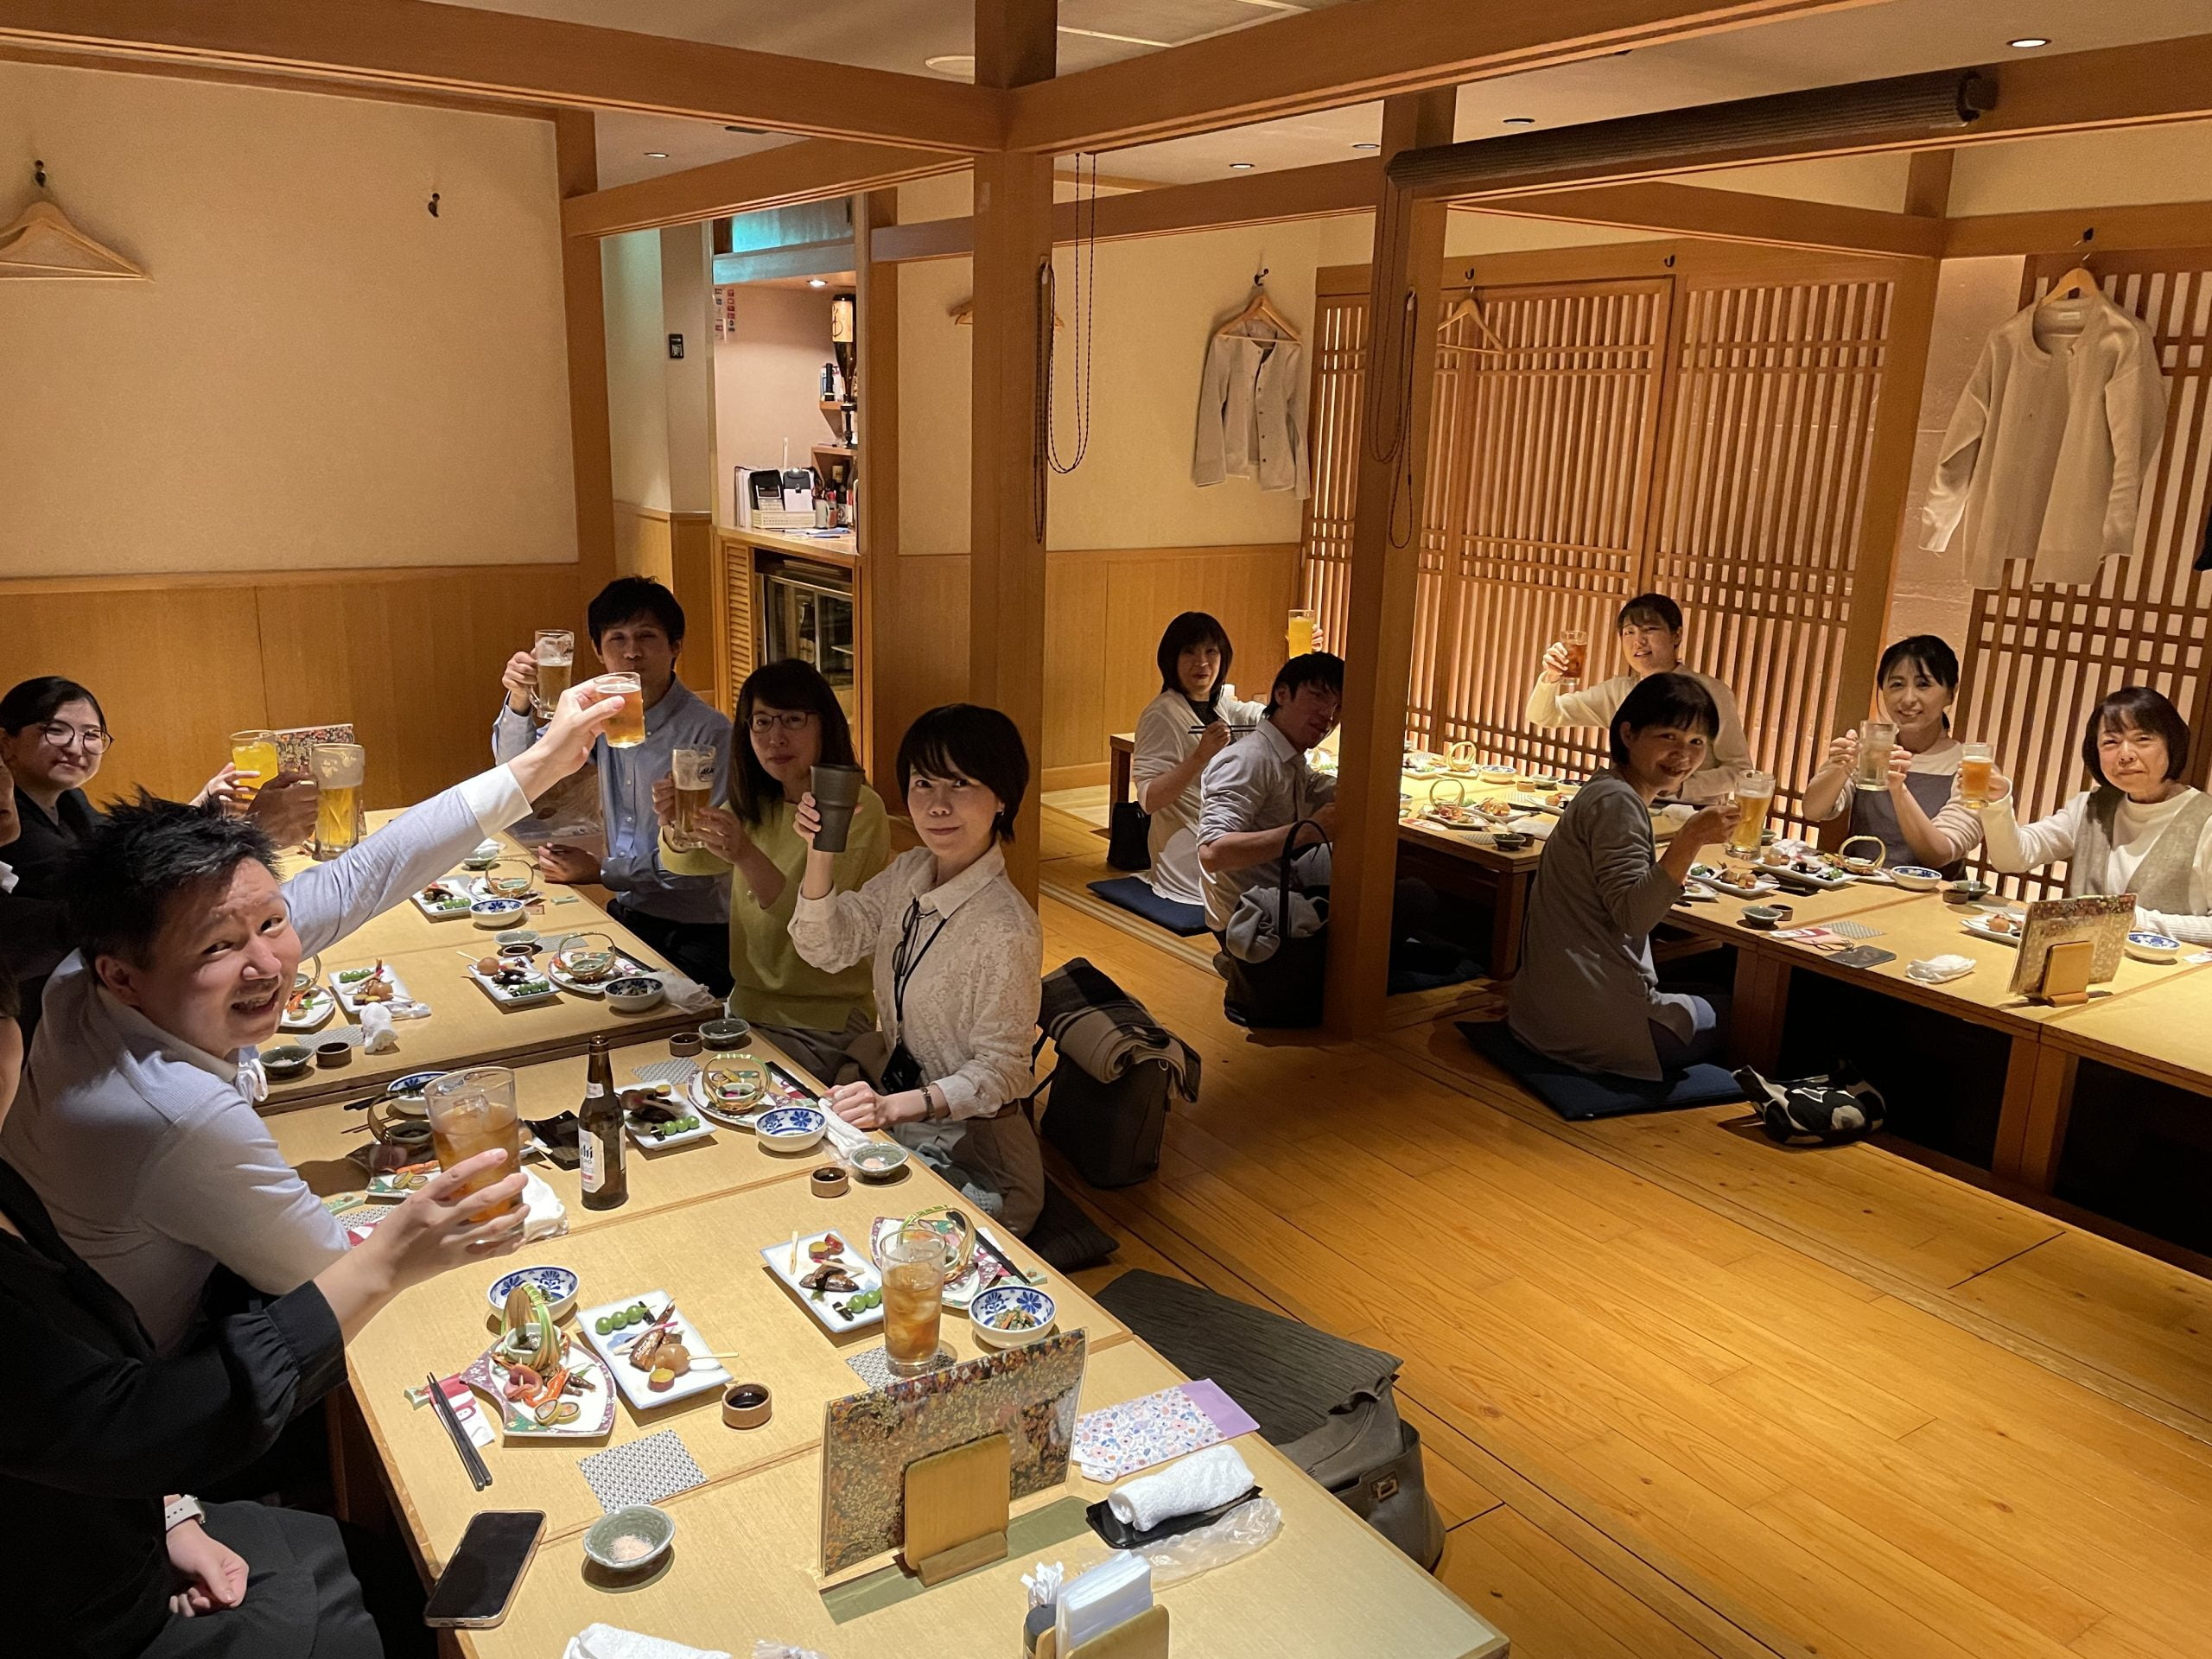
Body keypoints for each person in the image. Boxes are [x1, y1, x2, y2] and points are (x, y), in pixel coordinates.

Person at [4, 680, 622, 1352]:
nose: (267, 965)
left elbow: (365, 873)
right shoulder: (179, 1115)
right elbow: (331, 1275)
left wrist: (545, 761)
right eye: (218, 947)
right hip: (165, 1366)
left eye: (273, 922)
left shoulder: (84, 971)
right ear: (122, 975)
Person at [0, 957, 531, 1657]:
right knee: (408, 1606)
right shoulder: (174, 1108)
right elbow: (126, 1422)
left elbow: (72, 1416)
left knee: (385, 1567)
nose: (264, 961)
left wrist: (170, 1513)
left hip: (118, 1520)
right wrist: (381, 1264)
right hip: (82, 1620)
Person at [788, 705, 1046, 1234]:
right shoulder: (910, 872)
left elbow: (1002, 1072)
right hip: (903, 1122)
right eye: (923, 783)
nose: (938, 804)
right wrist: (819, 851)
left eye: (961, 783)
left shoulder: (1006, 928)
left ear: (1002, 797)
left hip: (978, 1157)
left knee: (861, 1234)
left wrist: (891, 1110)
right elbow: (827, 947)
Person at [493, 578, 734, 995]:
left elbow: (702, 866)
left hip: (699, 932)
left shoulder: (708, 733)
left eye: (647, 637)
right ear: (597, 651)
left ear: (676, 646)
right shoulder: (604, 713)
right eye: (617, 639)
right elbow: (519, 770)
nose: (631, 652)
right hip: (628, 913)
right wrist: (518, 699)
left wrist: (601, 870)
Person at [654, 660, 889, 1081]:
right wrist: (674, 823)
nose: (775, 737)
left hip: (823, 1019)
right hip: (746, 1007)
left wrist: (746, 854)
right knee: (664, 1079)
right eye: (761, 722)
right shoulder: (758, 802)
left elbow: (816, 929)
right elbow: (687, 863)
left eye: (792, 720)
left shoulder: (855, 807)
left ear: (825, 725)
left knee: (718, 1092)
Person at [1509, 673, 1737, 1080]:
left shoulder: (1606, 788)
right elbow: (1634, 916)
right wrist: (1690, 839)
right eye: (1668, 737)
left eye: (1696, 742)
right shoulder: (1618, 804)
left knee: (1708, 987)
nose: (1683, 755)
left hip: (1541, 1011)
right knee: (1746, 1013)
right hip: (1591, 1025)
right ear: (1628, 734)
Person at [0, 677, 312, 903]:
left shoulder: (68, 800)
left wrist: (201, 806)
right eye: (55, 731)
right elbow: (119, 889)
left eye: (91, 734)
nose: (75, 747)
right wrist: (254, 832)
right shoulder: (10, 819)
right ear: (6, 742)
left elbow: (126, 850)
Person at [1978, 687, 2212, 943]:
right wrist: (1997, 803)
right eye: (2111, 742)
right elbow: (2012, 859)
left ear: (2172, 744)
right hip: (2075, 958)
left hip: (2167, 967)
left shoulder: (2205, 820)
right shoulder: (2091, 808)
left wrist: (2136, 920)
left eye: (2142, 739)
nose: (2125, 755)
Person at [1525, 594, 1753, 801]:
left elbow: (1740, 770)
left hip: (1692, 813)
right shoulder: (1617, 691)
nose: (1639, 641)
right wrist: (1551, 677)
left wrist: (1681, 786)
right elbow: (1544, 716)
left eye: (1650, 629)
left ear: (1676, 635)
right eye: (1629, 632)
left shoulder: (1710, 693)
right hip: (1628, 807)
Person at [1801, 635, 1983, 877]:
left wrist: (1898, 789)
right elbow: (1813, 811)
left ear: (1951, 693)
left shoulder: (1971, 767)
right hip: (1857, 884)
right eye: (1897, 685)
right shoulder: (1872, 751)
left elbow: (1939, 854)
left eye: (1923, 685)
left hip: (1932, 895)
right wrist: (1841, 767)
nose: (1908, 699)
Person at [1194, 652, 1344, 937]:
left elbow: (1312, 786)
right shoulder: (1250, 759)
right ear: (1282, 694)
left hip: (1280, 899)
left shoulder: (1286, 754)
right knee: (1410, 897)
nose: (1328, 715)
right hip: (1252, 924)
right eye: (1319, 697)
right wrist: (1307, 832)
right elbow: (1213, 853)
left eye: (1338, 707)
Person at [1132, 613, 1268, 910]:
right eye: (1189, 652)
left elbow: (1272, 718)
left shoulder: (1220, 705)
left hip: (1224, 831)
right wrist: (1199, 757)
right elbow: (1149, 800)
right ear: (1171, 659)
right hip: (1188, 847)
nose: (1202, 662)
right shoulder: (1162, 714)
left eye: (1211, 651)